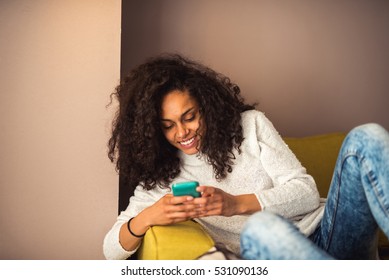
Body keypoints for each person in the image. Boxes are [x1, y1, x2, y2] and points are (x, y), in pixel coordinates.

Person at [103, 53, 389, 260]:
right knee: (263, 227)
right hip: (271, 252)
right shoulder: (162, 176)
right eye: (168, 127)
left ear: (205, 106)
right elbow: (110, 249)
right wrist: (149, 216)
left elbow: (307, 194)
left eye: (189, 117)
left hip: (329, 231)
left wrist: (234, 204)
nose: (182, 132)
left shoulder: (250, 125)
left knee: (366, 136)